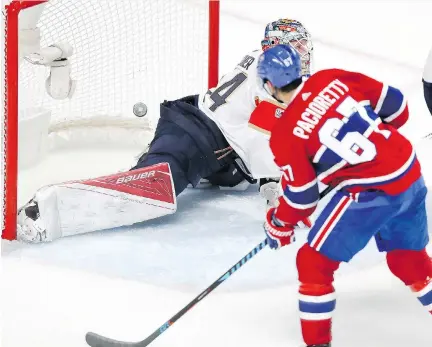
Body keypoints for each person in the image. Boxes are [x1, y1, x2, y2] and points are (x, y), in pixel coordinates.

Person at [17, 19, 314, 243]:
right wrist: (285, 193)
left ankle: (157, 161)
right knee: (153, 190)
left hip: (212, 138)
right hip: (196, 136)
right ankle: (44, 212)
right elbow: (265, 143)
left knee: (236, 179)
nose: (305, 52)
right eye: (298, 46)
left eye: (304, 45)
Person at [258, 45, 432, 347]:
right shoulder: (333, 78)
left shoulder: (284, 134)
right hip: (409, 171)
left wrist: (279, 223)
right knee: (408, 259)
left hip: (372, 192)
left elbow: (301, 197)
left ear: (269, 86)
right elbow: (398, 108)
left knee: (313, 263)